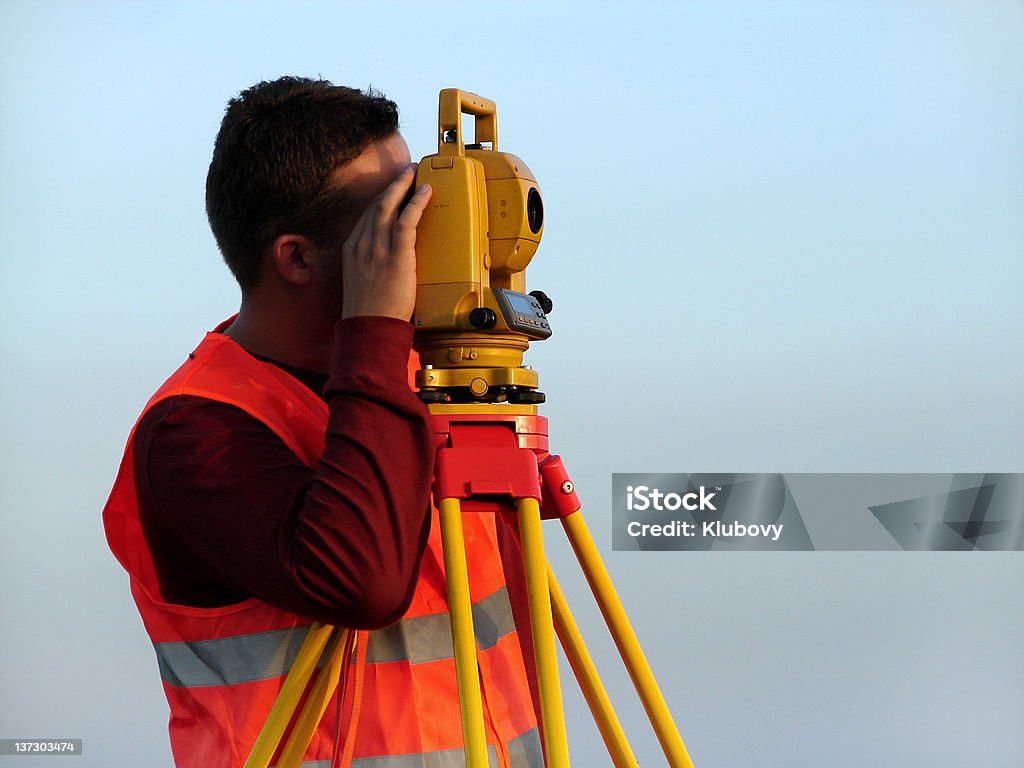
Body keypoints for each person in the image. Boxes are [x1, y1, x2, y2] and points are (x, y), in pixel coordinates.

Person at [103, 76, 542, 768]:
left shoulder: (418, 389)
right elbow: (361, 584)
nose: (428, 229)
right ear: (297, 258)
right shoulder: (196, 433)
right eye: (396, 214)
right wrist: (374, 327)